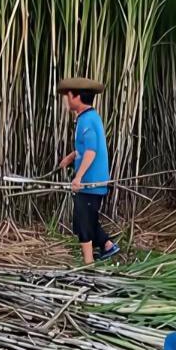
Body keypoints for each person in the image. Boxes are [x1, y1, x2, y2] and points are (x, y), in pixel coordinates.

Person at [57, 77, 120, 264]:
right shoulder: (89, 117)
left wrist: (78, 178)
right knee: (85, 218)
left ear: (77, 97)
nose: (67, 100)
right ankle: (108, 246)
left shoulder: (87, 120)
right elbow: (87, 148)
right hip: (92, 180)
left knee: (84, 221)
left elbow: (91, 152)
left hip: (91, 182)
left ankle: (88, 263)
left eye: (68, 96)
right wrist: (71, 156)